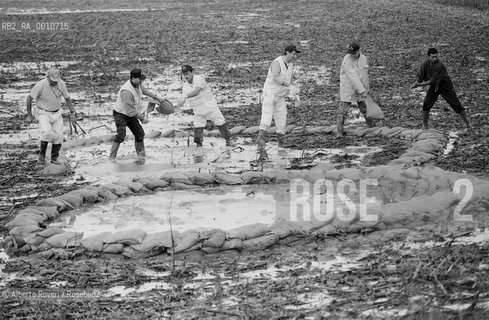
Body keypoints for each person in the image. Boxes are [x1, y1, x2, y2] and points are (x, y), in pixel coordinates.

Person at [109, 69, 162, 164]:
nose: (142, 81)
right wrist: (142, 119)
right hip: (120, 114)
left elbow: (143, 90)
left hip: (131, 112)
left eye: (142, 79)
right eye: (140, 79)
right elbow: (130, 112)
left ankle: (141, 157)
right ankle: (111, 158)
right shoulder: (126, 91)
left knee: (139, 133)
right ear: (133, 78)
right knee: (121, 135)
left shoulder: (138, 84)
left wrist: (155, 97)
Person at [255, 44, 301, 155]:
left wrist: (294, 94)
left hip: (280, 96)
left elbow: (290, 81)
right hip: (270, 94)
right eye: (294, 54)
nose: (295, 56)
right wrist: (288, 85)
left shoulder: (290, 65)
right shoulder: (277, 62)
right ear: (288, 52)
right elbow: (275, 77)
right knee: (266, 118)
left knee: (281, 120)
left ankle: (281, 146)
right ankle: (260, 142)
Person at [411, 47, 471, 131]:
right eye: (433, 57)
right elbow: (420, 74)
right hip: (435, 87)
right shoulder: (425, 64)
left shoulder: (440, 65)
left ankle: (467, 124)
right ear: (428, 56)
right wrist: (416, 82)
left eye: (436, 56)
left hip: (445, 85)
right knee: (426, 104)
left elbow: (431, 80)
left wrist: (419, 84)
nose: (435, 58)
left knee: (455, 104)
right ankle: (425, 125)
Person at [26, 68, 75, 165]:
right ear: (48, 77)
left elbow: (67, 98)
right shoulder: (40, 85)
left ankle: (54, 158)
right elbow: (29, 98)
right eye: (52, 81)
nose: (54, 83)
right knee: (47, 133)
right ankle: (42, 155)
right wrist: (29, 115)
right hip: (43, 112)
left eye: (56, 81)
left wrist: (72, 111)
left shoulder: (61, 84)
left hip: (57, 112)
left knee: (58, 136)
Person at [176, 65, 233, 147]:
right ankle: (199, 146)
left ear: (192, 72)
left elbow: (196, 91)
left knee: (220, 122)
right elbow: (183, 100)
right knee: (198, 126)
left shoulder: (199, 79)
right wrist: (179, 103)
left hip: (210, 106)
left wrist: (185, 96)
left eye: (187, 73)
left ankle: (228, 141)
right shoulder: (185, 86)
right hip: (198, 109)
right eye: (184, 74)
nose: (186, 76)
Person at [337, 42, 375, 138]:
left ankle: (373, 128)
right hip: (348, 88)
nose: (352, 54)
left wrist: (366, 89)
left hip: (361, 88)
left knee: (365, 109)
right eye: (351, 52)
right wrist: (362, 90)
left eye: (354, 52)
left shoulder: (363, 58)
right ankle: (339, 133)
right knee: (342, 111)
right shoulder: (347, 60)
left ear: (359, 51)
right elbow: (352, 77)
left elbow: (365, 75)